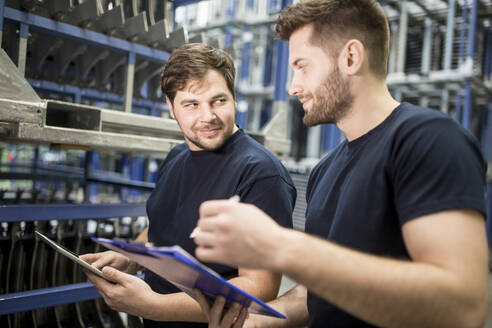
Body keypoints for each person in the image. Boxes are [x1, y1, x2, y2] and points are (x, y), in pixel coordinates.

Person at [192, 0, 489, 327]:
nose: (293, 86)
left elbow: (462, 305)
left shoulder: (428, 140)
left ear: (351, 57)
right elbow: (316, 290)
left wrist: (280, 246)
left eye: (302, 66)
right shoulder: (325, 171)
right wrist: (261, 320)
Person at [80, 43, 297, 328]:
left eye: (218, 100)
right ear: (171, 108)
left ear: (234, 98)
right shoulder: (176, 157)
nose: (207, 115)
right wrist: (131, 256)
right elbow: (162, 225)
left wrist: (153, 306)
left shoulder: (260, 173)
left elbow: (259, 287)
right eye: (192, 105)